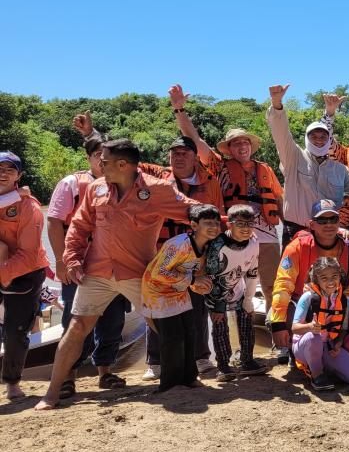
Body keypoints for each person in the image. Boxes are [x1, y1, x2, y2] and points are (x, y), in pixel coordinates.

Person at [36, 139, 202, 410]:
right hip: (97, 272)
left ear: (122, 165)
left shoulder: (158, 189)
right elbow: (79, 226)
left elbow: (191, 209)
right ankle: (52, 393)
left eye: (104, 161)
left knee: (162, 326)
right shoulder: (95, 187)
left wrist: (225, 223)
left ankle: (186, 378)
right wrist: (73, 258)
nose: (99, 165)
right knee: (77, 328)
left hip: (139, 273)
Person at [73, 112, 223, 380]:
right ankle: (155, 363)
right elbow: (122, 160)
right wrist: (91, 135)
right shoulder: (156, 178)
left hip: (194, 254)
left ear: (194, 157)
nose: (179, 157)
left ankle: (200, 359)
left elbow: (209, 216)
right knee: (156, 307)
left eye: (185, 152)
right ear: (168, 157)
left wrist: (232, 226)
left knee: (195, 307)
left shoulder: (208, 180)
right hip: (157, 257)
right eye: (174, 153)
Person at [170, 85, 284, 321]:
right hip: (231, 236)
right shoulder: (219, 166)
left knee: (273, 285)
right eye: (236, 144)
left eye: (245, 143)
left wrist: (289, 225)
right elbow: (195, 140)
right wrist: (180, 109)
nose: (242, 147)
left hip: (266, 234)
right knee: (229, 287)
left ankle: (278, 337)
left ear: (251, 147)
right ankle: (235, 336)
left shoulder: (266, 169)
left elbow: (279, 199)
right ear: (229, 149)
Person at [45, 135, 128, 398]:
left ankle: (105, 371)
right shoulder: (71, 183)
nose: (103, 162)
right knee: (74, 318)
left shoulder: (122, 183)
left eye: (108, 158)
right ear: (89, 158)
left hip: (113, 263)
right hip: (79, 262)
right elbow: (55, 221)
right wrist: (61, 260)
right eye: (97, 156)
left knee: (113, 318)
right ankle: (69, 375)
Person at [269, 200, 349, 365]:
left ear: (339, 222)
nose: (328, 224)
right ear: (312, 224)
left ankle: (342, 345)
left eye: (333, 220)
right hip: (303, 304)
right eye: (322, 221)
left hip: (338, 303)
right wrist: (278, 325)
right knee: (278, 313)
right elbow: (283, 285)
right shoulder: (296, 247)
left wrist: (342, 310)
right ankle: (295, 348)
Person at [265, 84, 349, 238]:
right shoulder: (293, 156)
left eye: (323, 136)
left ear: (329, 139)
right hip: (296, 232)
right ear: (306, 138)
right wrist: (276, 104)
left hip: (329, 233)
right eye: (314, 136)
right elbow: (281, 132)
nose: (319, 140)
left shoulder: (340, 169)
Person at [141, 204, 218, 392]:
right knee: (173, 338)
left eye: (216, 223)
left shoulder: (207, 246)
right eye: (207, 223)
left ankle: (189, 378)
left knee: (190, 334)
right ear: (193, 225)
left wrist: (200, 285)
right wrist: (193, 280)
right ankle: (170, 384)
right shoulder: (178, 245)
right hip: (157, 293)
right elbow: (159, 272)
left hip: (179, 291)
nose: (214, 227)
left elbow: (195, 273)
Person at [0, 152, 48, 400]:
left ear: (19, 176)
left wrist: (4, 274)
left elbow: (28, 255)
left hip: (24, 273)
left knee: (16, 331)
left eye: (10, 169)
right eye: (0, 167)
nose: (3, 172)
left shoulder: (29, 207)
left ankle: (12, 383)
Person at [204, 204, 266, 381]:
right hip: (215, 291)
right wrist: (217, 306)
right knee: (220, 325)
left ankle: (247, 360)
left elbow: (253, 271)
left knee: (247, 320)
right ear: (229, 224)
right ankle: (223, 365)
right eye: (240, 224)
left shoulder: (254, 242)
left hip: (238, 287)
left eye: (250, 223)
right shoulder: (218, 246)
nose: (246, 229)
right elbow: (212, 275)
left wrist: (249, 298)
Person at [291, 257, 349, 390]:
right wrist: (309, 327)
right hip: (304, 346)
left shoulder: (343, 299)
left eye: (334, 276)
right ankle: (316, 375)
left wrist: (339, 342)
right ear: (316, 279)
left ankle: (324, 366)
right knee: (314, 337)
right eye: (324, 278)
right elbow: (294, 328)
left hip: (327, 346)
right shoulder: (307, 297)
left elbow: (343, 328)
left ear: (340, 276)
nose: (330, 282)